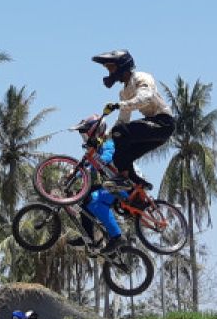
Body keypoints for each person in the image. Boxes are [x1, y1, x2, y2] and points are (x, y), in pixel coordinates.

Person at [92, 50, 175, 192]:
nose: (110, 72)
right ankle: (138, 192)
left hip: (163, 123)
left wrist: (118, 105)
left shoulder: (142, 78)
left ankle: (123, 179)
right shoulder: (124, 93)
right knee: (121, 157)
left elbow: (145, 98)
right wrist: (103, 138)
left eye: (111, 68)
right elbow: (123, 120)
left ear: (122, 66)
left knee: (121, 134)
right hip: (153, 128)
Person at [67, 115, 129, 254]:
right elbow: (88, 166)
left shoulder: (108, 143)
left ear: (96, 131)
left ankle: (117, 236)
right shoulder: (98, 148)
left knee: (94, 199)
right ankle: (88, 237)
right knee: (84, 200)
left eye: (86, 133)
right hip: (111, 185)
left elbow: (105, 160)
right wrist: (74, 175)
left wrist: (84, 170)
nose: (85, 137)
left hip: (123, 186)